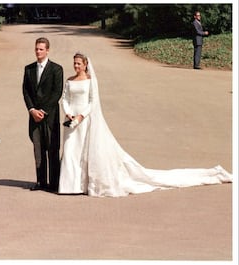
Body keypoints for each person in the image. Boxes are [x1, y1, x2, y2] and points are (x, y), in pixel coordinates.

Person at [58, 52, 232, 196]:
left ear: (86, 64)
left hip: (85, 118)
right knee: (71, 151)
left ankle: (84, 184)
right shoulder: (70, 80)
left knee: (84, 151)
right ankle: (70, 185)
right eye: (74, 63)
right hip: (70, 118)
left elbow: (92, 101)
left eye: (79, 63)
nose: (76, 66)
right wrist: (68, 112)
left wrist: (81, 116)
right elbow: (64, 97)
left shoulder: (90, 81)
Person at [22, 37, 64, 192]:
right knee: (38, 149)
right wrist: (32, 109)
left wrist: (44, 110)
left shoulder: (56, 69)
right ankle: (41, 182)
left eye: (41, 49)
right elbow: (25, 90)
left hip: (50, 116)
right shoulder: (29, 69)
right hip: (34, 116)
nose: (38, 52)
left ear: (47, 50)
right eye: (36, 49)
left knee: (52, 148)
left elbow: (57, 92)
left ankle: (54, 183)